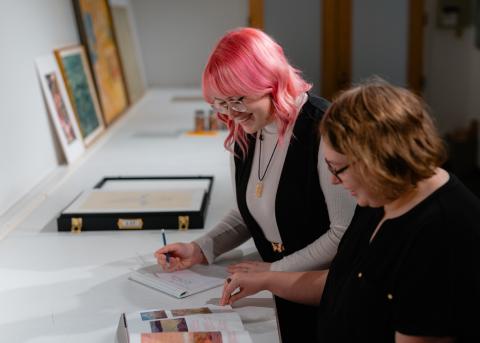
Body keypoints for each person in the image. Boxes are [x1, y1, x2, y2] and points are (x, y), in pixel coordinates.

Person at [220, 78, 480, 342]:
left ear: (377, 158)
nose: (334, 180)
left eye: (338, 168)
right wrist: (267, 280)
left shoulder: (440, 232)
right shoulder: (382, 197)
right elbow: (344, 283)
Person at [154, 27, 355, 343]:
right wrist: (201, 248)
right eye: (220, 103)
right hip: (274, 289)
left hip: (322, 294)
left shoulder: (323, 128)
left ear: (271, 83)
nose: (231, 114)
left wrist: (272, 272)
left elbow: (343, 233)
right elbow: (250, 209)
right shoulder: (248, 129)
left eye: (238, 99)